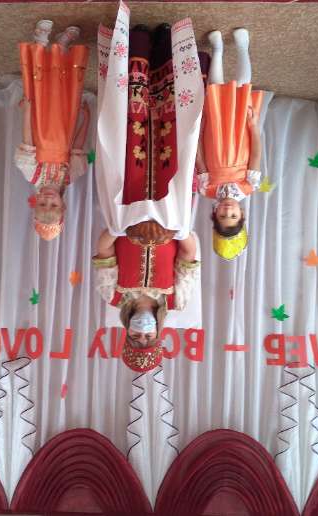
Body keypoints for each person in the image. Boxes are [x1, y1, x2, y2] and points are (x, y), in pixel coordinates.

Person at [94, 14, 203, 372]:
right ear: (159, 335)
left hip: (130, 199)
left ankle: (138, 45)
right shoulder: (178, 297)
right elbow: (190, 252)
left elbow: (104, 248)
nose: (143, 334)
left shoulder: (112, 294)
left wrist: (123, 228)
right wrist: (176, 231)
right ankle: (167, 47)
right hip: (170, 207)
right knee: (173, 138)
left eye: (136, 338)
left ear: (126, 333)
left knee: (133, 136)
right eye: (148, 339)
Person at [14, 20, 90, 241]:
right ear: (63, 205)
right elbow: (77, 146)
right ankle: (62, 45)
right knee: (62, 89)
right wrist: (86, 119)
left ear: (35, 202)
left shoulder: (31, 172)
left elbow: (28, 140)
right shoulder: (72, 175)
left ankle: (40, 42)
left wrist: (27, 111)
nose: (48, 199)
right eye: (53, 205)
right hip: (65, 124)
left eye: (43, 204)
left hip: (41, 122)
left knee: (41, 88)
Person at [196, 28, 264, 261]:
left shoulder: (206, 189)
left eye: (223, 216)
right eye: (233, 216)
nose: (227, 211)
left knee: (214, 89)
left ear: (215, 214)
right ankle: (243, 47)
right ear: (242, 213)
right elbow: (255, 155)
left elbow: (200, 159)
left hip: (214, 136)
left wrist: (199, 131)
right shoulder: (249, 186)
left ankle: (218, 50)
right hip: (239, 135)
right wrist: (253, 126)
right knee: (242, 89)